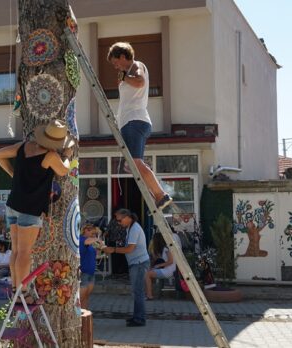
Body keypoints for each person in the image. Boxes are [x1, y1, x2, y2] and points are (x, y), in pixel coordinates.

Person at [0, 120, 74, 301]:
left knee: (15, 251)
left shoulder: (23, 146)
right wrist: (68, 155)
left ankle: (16, 289)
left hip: (13, 204)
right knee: (24, 253)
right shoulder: (50, 155)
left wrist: (12, 173)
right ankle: (23, 293)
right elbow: (63, 171)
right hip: (30, 208)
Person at [107, 42, 172, 211]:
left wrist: (124, 78)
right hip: (131, 122)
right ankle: (154, 194)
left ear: (123, 56)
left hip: (135, 121)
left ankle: (160, 194)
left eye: (115, 62)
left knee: (135, 163)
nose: (115, 66)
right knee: (131, 165)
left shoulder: (136, 65)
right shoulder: (127, 73)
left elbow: (140, 82)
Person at [102, 209, 149, 327]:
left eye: (119, 220)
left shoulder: (134, 229)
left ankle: (139, 319)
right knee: (136, 291)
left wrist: (113, 250)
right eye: (117, 221)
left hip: (139, 263)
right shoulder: (130, 228)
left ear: (127, 217)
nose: (118, 223)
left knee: (138, 292)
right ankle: (137, 316)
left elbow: (129, 249)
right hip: (137, 263)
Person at [145, 232, 176, 300]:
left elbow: (170, 261)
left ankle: (149, 295)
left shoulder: (166, 248)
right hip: (166, 269)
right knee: (147, 272)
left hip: (169, 270)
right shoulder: (163, 249)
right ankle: (149, 293)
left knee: (148, 274)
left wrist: (159, 265)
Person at [79, 223, 102, 309]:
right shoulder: (82, 239)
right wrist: (97, 239)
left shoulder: (91, 241)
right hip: (83, 273)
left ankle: (85, 319)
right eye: (93, 233)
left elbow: (97, 254)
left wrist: (99, 247)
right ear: (86, 230)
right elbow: (86, 242)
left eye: (95, 234)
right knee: (80, 299)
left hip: (90, 273)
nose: (94, 235)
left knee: (85, 298)